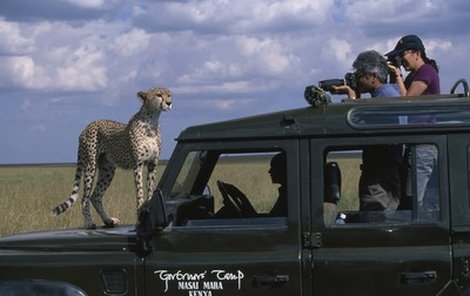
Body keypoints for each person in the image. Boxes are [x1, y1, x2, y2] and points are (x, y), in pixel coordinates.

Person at [334, 50, 402, 213]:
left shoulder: (384, 97)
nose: (357, 79)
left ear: (373, 76)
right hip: (387, 167)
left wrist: (352, 99)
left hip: (381, 170)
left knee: (375, 215)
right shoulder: (389, 92)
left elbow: (358, 125)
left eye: (360, 75)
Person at [386, 35, 439, 216]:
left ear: (417, 53)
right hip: (415, 141)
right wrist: (397, 76)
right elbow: (396, 94)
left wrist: (398, 75)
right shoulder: (414, 76)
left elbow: (406, 101)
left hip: (424, 144)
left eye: (403, 55)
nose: (401, 59)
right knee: (409, 194)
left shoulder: (426, 71)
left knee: (416, 196)